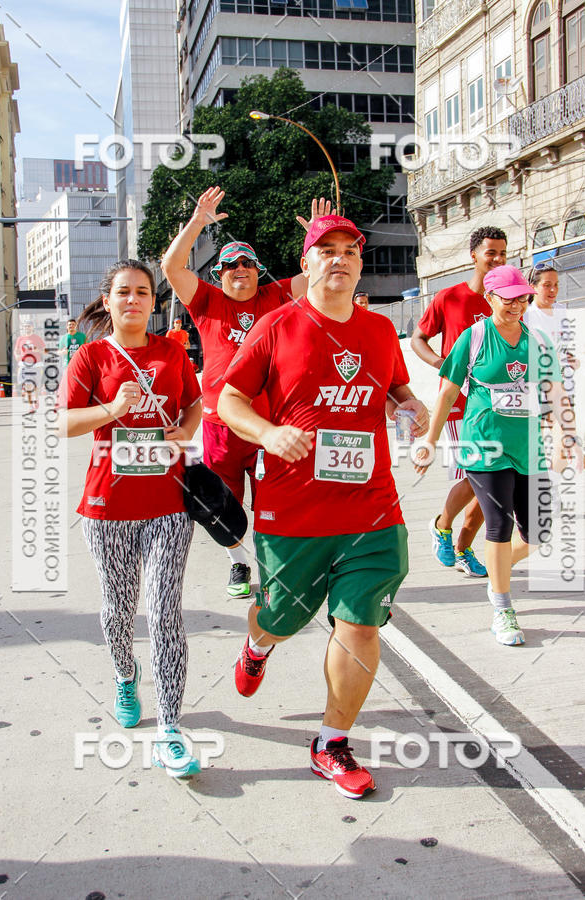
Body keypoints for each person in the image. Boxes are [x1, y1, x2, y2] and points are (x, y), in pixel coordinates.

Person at [218, 214, 428, 799]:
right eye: (326, 250)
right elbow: (230, 400)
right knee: (280, 618)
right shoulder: (276, 326)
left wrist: (414, 410)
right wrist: (265, 432)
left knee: (359, 624)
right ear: (306, 263)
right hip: (295, 511)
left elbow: (397, 390)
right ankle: (258, 645)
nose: (339, 259)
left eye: (349, 251)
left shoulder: (381, 331)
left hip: (371, 509)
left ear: (360, 264)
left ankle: (330, 741)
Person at [58, 259, 203, 778]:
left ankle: (170, 727)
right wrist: (112, 410)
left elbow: (194, 404)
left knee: (165, 612)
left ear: (152, 301)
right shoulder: (92, 356)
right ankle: (125, 673)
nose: (134, 300)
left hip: (167, 506)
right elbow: (64, 422)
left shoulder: (171, 352)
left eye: (143, 292)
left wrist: (184, 433)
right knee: (118, 609)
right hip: (108, 507)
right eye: (124, 292)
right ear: (109, 301)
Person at [161, 185, 332, 599]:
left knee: (273, 499)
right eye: (232, 265)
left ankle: (273, 566)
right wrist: (198, 221)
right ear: (219, 275)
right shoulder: (207, 302)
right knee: (225, 505)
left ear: (259, 271)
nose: (241, 269)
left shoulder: (276, 296)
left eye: (249, 264)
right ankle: (239, 562)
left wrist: (319, 237)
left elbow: (321, 273)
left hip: (267, 424)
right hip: (220, 425)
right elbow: (171, 267)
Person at [413, 265, 584, 646]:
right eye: (508, 298)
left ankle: (496, 568)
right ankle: (503, 606)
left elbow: (556, 393)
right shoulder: (472, 339)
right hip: (484, 446)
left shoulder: (537, 340)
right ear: (489, 298)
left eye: (522, 298)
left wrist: (567, 435)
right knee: (498, 526)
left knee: (538, 534)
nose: (517, 305)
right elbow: (446, 393)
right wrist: (430, 440)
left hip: (528, 448)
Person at [411, 225, 509, 578]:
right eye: (491, 253)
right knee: (476, 476)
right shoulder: (449, 298)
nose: (497, 259)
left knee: (494, 479)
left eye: (502, 252)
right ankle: (442, 525)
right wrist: (442, 363)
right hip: (458, 404)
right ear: (474, 256)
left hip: (498, 406)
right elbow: (418, 339)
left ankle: (464, 548)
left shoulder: (507, 300)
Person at [523, 267, 579, 474]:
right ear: (533, 288)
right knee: (535, 443)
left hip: (560, 384)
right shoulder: (526, 315)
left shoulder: (562, 310)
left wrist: (571, 360)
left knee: (564, 437)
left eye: (556, 285)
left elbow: (564, 347)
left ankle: (553, 484)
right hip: (534, 385)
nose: (553, 290)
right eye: (547, 285)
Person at [14, 321, 46, 408]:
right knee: (27, 384)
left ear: (32, 327)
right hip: (24, 364)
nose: (26, 328)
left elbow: (45, 350)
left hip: (36, 364)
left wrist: (38, 350)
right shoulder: (20, 339)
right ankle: (30, 404)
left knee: (36, 384)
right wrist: (16, 356)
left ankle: (36, 399)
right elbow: (16, 350)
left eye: (28, 326)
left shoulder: (37, 338)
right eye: (25, 326)